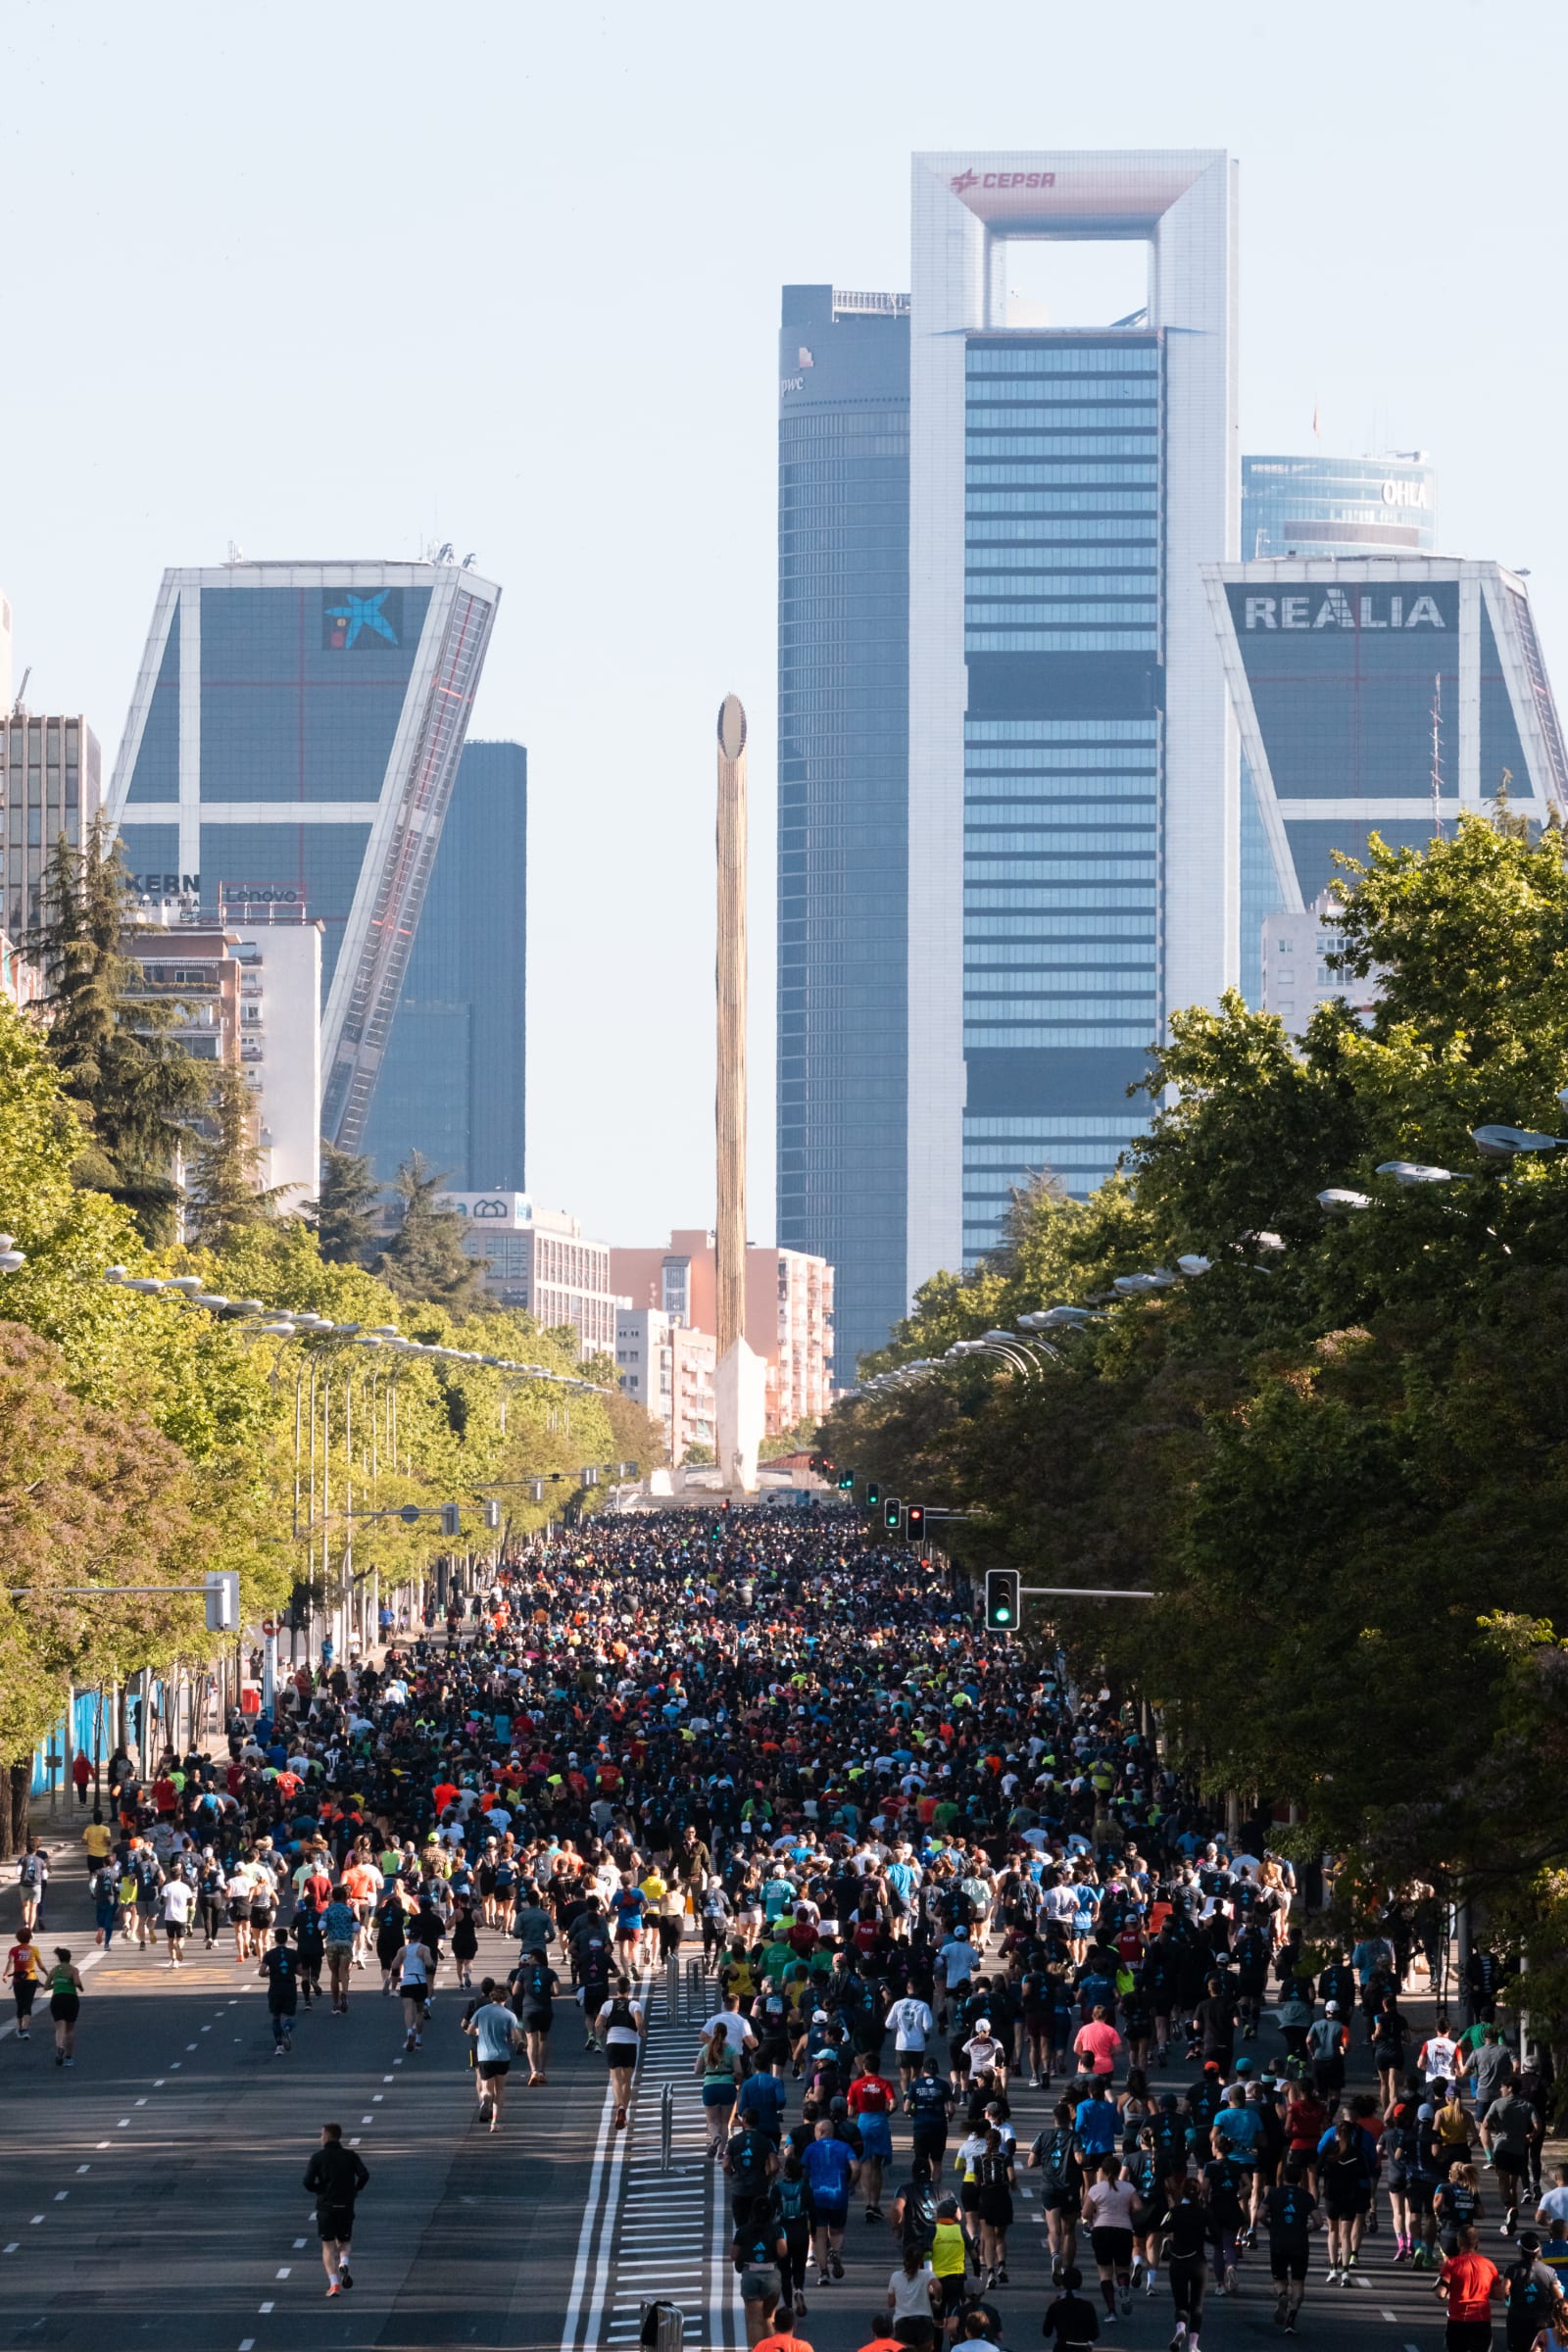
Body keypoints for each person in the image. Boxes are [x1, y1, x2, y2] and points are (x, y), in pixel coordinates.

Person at [303, 2122, 369, 2298]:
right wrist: (355, 2190)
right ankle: (344, 2262)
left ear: (327, 2136)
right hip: (346, 2205)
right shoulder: (350, 2156)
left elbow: (307, 2182)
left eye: (321, 2134)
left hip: (326, 2207)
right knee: (345, 2241)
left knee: (328, 2246)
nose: (320, 2137)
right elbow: (364, 2175)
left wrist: (321, 2190)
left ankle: (334, 2284)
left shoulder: (318, 2158)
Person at [802, 2115, 858, 2286]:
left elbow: (803, 2169)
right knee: (837, 2230)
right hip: (838, 2194)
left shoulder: (811, 2148)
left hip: (816, 2195)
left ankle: (823, 2272)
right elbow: (855, 2167)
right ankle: (835, 2251)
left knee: (818, 2234)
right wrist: (851, 2184)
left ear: (820, 2132)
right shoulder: (844, 2147)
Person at [1263, 2159, 1318, 2335]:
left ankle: (1281, 2296)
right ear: (1300, 2178)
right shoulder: (1306, 2196)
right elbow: (1319, 2221)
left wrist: (1269, 2225)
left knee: (1279, 2279)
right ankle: (1292, 2318)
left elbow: (1259, 2214)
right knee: (1298, 2282)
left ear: (1284, 2177)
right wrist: (1309, 2229)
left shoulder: (1273, 2194)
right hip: (1299, 2242)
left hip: (1279, 2240)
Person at [465, 1982, 523, 2132]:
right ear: (506, 1998)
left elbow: (469, 2030)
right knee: (500, 2090)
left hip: (484, 2055)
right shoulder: (509, 2015)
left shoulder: (482, 2011)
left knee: (486, 2087)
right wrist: (520, 2042)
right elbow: (515, 2036)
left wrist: (480, 2032)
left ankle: (485, 2097)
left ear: (492, 1997)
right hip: (502, 2056)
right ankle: (494, 2122)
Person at [1438, 2222, 1503, 2352]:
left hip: (1457, 2320)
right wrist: (1481, 2290)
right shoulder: (1488, 2265)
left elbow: (1441, 2293)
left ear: (1458, 2242)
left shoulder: (1451, 2264)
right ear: (1476, 2243)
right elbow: (1499, 2294)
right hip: (1481, 2320)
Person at [597, 1976, 646, 2129]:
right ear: (629, 1989)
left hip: (613, 2043)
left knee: (616, 2078)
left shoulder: (607, 2004)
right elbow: (638, 2020)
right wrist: (641, 2030)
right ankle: (625, 2109)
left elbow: (598, 2022)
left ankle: (619, 2107)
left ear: (616, 1989)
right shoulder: (634, 2005)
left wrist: (601, 2032)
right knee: (627, 2080)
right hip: (630, 2044)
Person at [511, 1946, 560, 2086]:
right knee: (543, 2039)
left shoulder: (523, 1972)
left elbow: (515, 1991)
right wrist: (545, 1993)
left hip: (529, 2008)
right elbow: (557, 1991)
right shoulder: (550, 1972)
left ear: (535, 1958)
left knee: (531, 2040)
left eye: (530, 1957)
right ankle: (542, 2071)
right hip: (545, 2008)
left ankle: (534, 2071)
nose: (528, 1960)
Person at [697, 2019, 746, 2156]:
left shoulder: (706, 2049)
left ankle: (715, 2137)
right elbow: (739, 2071)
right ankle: (720, 2152)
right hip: (727, 2085)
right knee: (724, 2122)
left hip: (710, 2085)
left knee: (712, 2122)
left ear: (713, 2033)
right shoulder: (731, 2049)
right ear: (726, 2034)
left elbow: (697, 2069)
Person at [259, 1927, 299, 2053]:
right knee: (289, 2015)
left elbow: (261, 1972)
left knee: (276, 2017)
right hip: (290, 1987)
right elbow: (300, 1970)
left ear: (275, 1939)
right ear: (286, 1939)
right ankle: (287, 2027)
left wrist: (269, 1974)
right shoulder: (293, 1954)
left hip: (275, 1987)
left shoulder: (269, 1954)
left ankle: (279, 2045)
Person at [1041, 2265, 1100, 2350]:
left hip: (1062, 2347)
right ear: (1080, 2283)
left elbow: (1046, 2332)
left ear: (1063, 2283)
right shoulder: (1087, 2306)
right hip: (1081, 2348)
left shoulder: (1055, 2306)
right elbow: (1094, 2334)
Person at [47, 1947, 82, 2066]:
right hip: (70, 1998)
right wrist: (80, 1987)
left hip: (57, 1998)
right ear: (69, 1958)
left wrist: (57, 1983)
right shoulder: (73, 1969)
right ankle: (68, 2057)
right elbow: (77, 1982)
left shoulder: (53, 1970)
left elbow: (46, 1987)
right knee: (70, 2029)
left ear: (59, 1958)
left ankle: (60, 2046)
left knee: (59, 2027)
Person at [4, 1927, 39, 2040]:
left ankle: (21, 2028)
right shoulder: (34, 1949)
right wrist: (48, 1973)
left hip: (18, 1980)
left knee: (20, 2004)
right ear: (30, 1938)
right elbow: (41, 1965)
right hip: (31, 1979)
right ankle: (25, 2028)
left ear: (18, 1938)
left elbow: (10, 1962)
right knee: (28, 2004)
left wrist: (5, 1974)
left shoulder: (14, 1950)